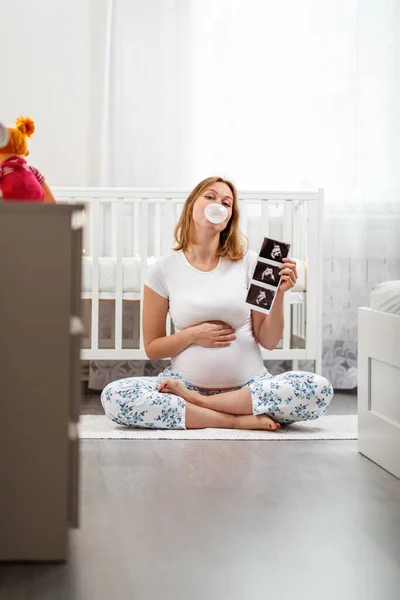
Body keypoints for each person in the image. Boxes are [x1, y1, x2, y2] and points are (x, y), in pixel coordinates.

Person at [101, 176, 333, 430]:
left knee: (319, 390)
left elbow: (268, 340)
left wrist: (279, 294)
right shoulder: (163, 270)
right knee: (115, 396)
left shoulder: (251, 262)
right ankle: (236, 420)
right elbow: (153, 348)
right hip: (183, 385)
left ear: (229, 218)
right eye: (210, 197)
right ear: (192, 205)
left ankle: (199, 406)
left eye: (227, 202)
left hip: (248, 387)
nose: (218, 204)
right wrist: (192, 335)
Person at [0, 116, 56, 203]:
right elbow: (51, 201)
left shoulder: (2, 170)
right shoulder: (32, 170)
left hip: (11, 210)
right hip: (35, 210)